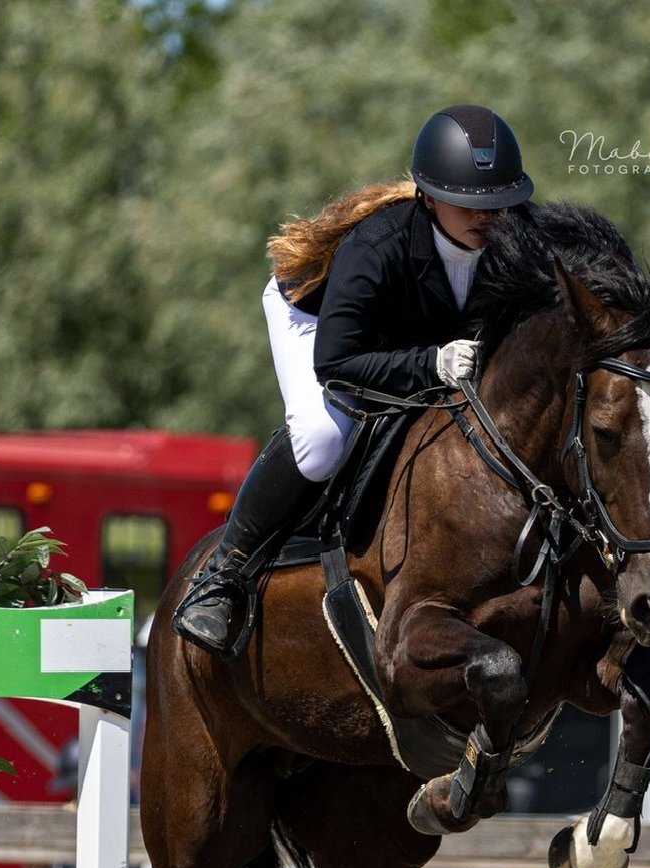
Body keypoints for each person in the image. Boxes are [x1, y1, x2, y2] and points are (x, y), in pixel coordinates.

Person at [173, 103, 535, 658]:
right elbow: (337, 364)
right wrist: (430, 365)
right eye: (468, 204)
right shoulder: (378, 246)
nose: (485, 218)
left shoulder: (514, 242)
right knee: (322, 443)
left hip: (406, 336)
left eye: (496, 204)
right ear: (430, 197)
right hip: (318, 323)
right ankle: (225, 575)